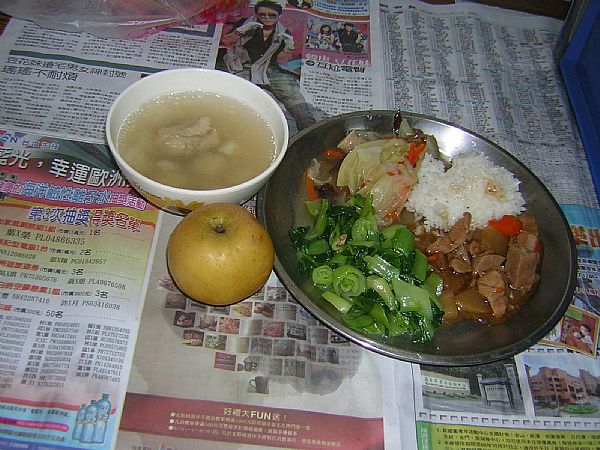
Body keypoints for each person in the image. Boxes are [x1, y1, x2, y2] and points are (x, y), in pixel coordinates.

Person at [218, 0, 318, 132]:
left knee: (296, 101)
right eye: (262, 14)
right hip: (243, 66)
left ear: (278, 16)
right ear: (256, 14)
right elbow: (226, 41)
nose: (266, 18)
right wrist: (240, 31)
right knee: (237, 99)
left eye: (271, 15)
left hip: (270, 69)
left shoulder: (284, 32)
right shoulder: (245, 24)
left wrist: (288, 47)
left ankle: (310, 134)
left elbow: (281, 59)